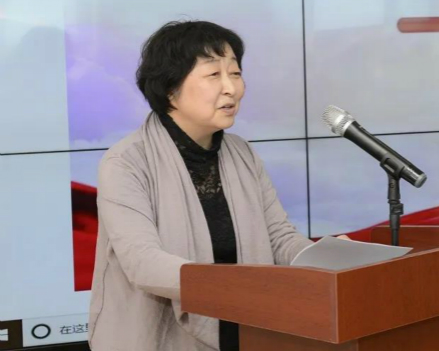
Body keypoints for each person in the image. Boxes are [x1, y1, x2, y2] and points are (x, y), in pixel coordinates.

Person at [88, 21, 318, 351]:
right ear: (170, 88)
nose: (231, 88)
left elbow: (278, 237)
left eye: (235, 73)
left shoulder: (242, 152)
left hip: (245, 330)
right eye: (213, 75)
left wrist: (327, 259)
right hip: (156, 340)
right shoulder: (126, 162)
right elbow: (143, 262)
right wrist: (241, 286)